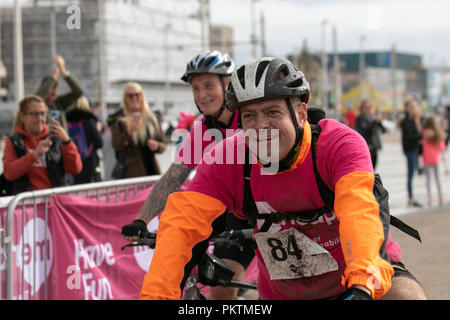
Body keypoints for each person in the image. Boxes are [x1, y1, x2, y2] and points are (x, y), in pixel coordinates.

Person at [139, 57, 427, 300]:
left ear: (300, 114)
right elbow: (179, 229)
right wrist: (156, 295)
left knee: (408, 297)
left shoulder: (338, 144)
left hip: (361, 280)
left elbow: (360, 212)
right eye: (249, 116)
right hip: (286, 293)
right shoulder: (224, 157)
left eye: (273, 112)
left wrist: (364, 286)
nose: (261, 126)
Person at [122, 51, 255, 300]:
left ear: (228, 85)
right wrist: (141, 220)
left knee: (226, 290)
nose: (202, 95)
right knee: (195, 280)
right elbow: (173, 177)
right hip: (224, 210)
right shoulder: (203, 129)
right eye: (195, 88)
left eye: (208, 86)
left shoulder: (250, 118)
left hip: (260, 209)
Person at [2, 95, 82, 194]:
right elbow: (9, 173)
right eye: (34, 114)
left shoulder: (56, 138)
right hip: (26, 206)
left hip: (55, 203)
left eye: (42, 113)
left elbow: (75, 168)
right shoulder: (14, 141)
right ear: (23, 117)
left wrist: (67, 141)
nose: (39, 118)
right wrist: (35, 155)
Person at [107, 82, 166, 179]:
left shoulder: (152, 117)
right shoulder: (117, 119)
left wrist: (157, 146)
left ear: (142, 96)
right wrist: (129, 131)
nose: (134, 98)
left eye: (137, 94)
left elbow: (163, 144)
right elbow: (117, 145)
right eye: (130, 95)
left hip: (152, 171)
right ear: (125, 98)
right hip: (130, 175)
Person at [35, 54, 83, 131]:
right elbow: (37, 97)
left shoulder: (58, 103)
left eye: (54, 94)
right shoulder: (35, 104)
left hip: (60, 142)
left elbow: (78, 92)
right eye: (49, 94)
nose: (51, 97)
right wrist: (54, 77)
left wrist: (64, 72)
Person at [66, 96, 103, 184]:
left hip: (74, 163)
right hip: (89, 163)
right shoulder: (89, 120)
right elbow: (99, 143)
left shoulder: (67, 120)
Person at [400, 98, 423, 208]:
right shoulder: (406, 121)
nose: (414, 109)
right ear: (407, 108)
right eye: (412, 107)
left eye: (415, 106)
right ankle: (411, 198)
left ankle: (412, 197)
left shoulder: (415, 120)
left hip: (415, 150)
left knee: (413, 174)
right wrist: (422, 136)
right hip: (410, 150)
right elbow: (410, 137)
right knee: (410, 175)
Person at [421, 116, 446, 206]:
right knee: (438, 179)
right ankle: (441, 196)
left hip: (427, 159)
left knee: (428, 180)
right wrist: (446, 166)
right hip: (436, 159)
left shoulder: (423, 133)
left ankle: (430, 198)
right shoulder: (438, 134)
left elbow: (421, 145)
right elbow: (442, 150)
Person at [355, 99, 385, 169]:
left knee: (374, 167)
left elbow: (383, 130)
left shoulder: (373, 117)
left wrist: (379, 122)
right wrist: (375, 122)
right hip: (367, 145)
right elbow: (364, 130)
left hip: (375, 145)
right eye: (366, 107)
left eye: (370, 106)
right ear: (362, 108)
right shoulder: (360, 118)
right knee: (368, 168)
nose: (369, 108)